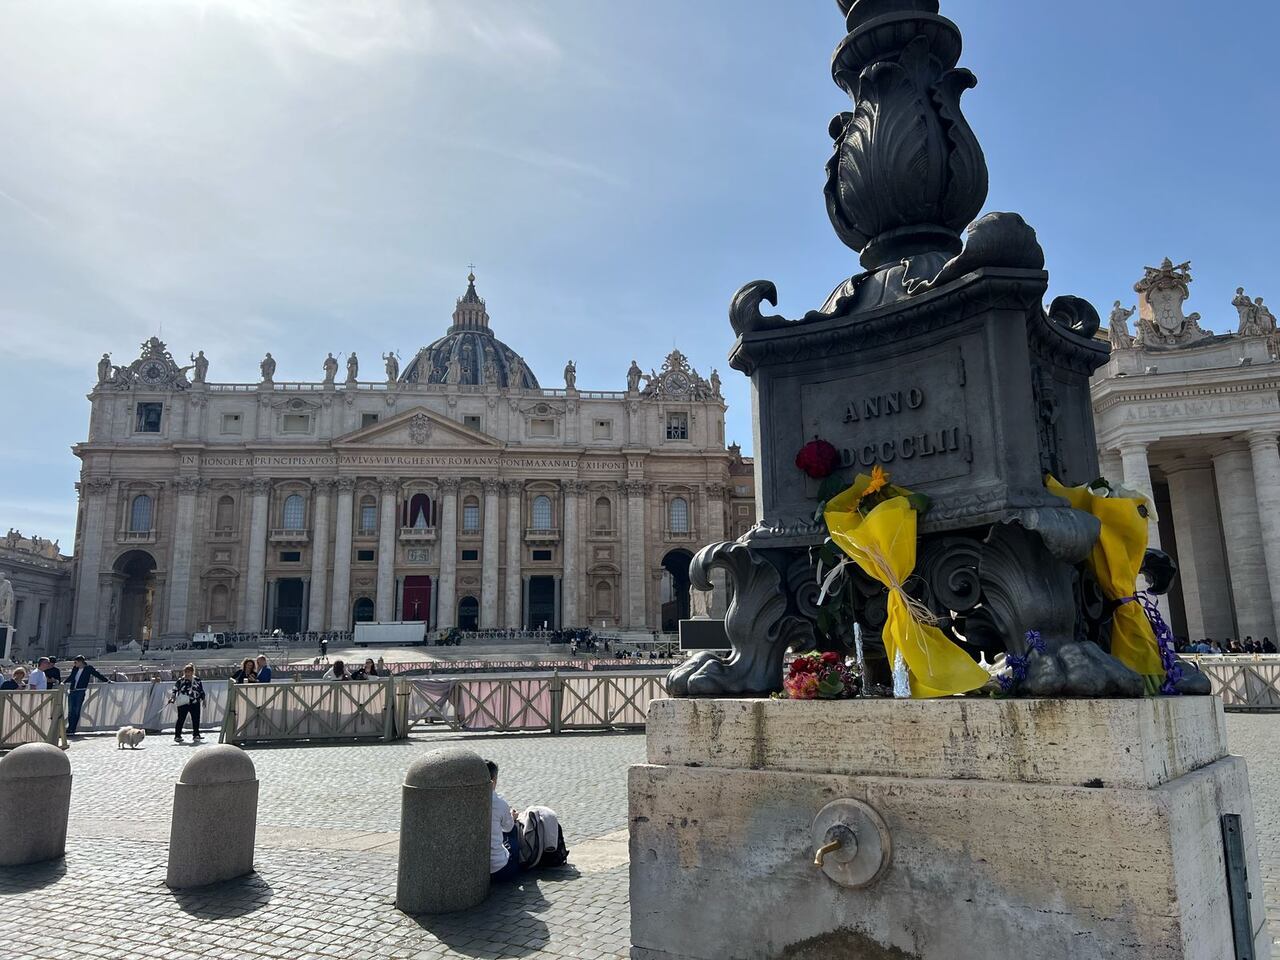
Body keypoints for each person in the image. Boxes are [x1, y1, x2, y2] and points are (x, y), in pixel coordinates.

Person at [486, 759, 523, 882]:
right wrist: (512, 817)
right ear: (494, 780)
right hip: (500, 870)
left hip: (475, 869)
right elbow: (507, 827)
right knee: (512, 832)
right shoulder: (499, 803)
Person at [65, 655, 111, 736]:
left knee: (76, 710)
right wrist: (64, 682)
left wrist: (107, 681)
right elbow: (71, 677)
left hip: (81, 691)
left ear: (80, 662)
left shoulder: (88, 668)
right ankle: (69, 728)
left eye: (75, 662)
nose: (74, 664)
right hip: (72, 690)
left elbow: (97, 674)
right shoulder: (75, 668)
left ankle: (73, 728)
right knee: (71, 710)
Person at [168, 663, 206, 743]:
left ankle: (196, 734)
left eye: (189, 671)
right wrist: (172, 698)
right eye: (186, 671)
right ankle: (177, 735)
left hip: (195, 701)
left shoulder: (197, 680)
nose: (187, 673)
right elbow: (175, 689)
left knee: (196, 719)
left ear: (192, 672)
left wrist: (204, 700)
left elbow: (201, 690)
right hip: (183, 702)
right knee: (181, 719)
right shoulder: (180, 680)